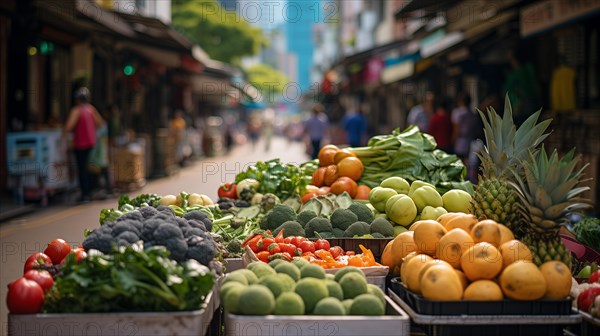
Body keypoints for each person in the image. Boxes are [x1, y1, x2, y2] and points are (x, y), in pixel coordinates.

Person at [63, 87, 104, 203]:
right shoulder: (91, 110)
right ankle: (90, 191)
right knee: (89, 168)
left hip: (80, 144)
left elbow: (69, 126)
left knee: (82, 169)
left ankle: (85, 194)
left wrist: (64, 133)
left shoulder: (77, 110)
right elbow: (100, 123)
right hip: (91, 143)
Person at [451, 92, 472, 158]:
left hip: (459, 141)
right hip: (469, 140)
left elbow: (456, 129)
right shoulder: (471, 113)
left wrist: (453, 140)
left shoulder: (456, 112)